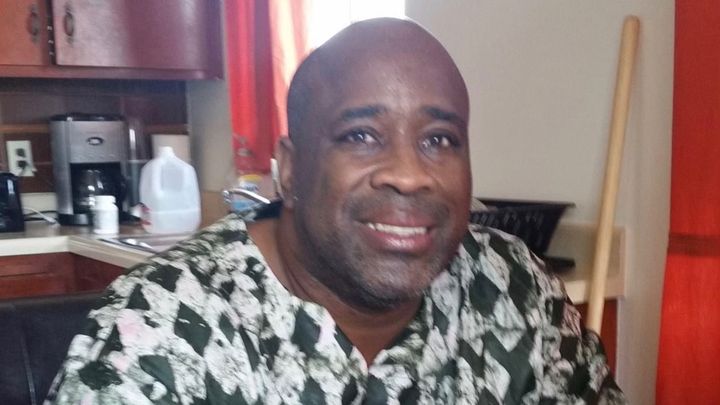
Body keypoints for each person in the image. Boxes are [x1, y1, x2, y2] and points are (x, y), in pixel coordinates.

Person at [47, 18, 625, 404]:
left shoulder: (515, 288)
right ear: (290, 169)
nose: (409, 174)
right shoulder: (164, 332)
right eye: (360, 135)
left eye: (440, 139)